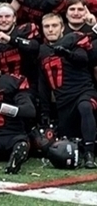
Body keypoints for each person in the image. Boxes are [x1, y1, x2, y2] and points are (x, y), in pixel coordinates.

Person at [38, 13, 97, 168]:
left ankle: (90, 154)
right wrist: (45, 113)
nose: (51, 29)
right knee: (64, 142)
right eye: (47, 26)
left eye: (54, 25)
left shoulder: (73, 41)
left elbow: (83, 59)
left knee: (85, 107)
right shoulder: (42, 51)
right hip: (63, 101)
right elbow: (43, 83)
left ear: (62, 28)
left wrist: (66, 53)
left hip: (83, 92)